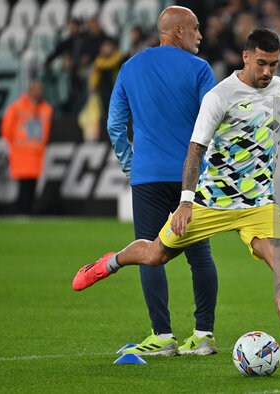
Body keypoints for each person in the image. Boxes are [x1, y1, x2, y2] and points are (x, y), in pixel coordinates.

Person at [73, 28, 280, 366]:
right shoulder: (220, 96)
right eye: (262, 64)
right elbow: (194, 152)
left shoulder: (278, 87)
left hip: (258, 204)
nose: (268, 72)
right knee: (154, 255)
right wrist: (184, 202)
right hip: (211, 201)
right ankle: (109, 262)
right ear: (246, 57)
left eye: (275, 64)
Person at [105, 6, 219, 357]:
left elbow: (114, 126)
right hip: (191, 180)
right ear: (178, 32)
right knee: (199, 256)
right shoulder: (201, 70)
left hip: (149, 177)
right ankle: (203, 336)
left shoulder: (130, 67)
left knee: (148, 251)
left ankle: (162, 336)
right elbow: (213, 125)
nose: (201, 35)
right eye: (196, 29)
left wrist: (131, 167)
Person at [1, 81, 52, 215]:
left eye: (41, 89)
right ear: (30, 90)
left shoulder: (46, 108)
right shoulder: (17, 107)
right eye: (37, 89)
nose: (40, 92)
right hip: (21, 153)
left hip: (37, 154)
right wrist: (14, 145)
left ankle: (28, 211)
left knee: (32, 185)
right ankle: (22, 211)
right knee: (23, 185)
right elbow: (6, 129)